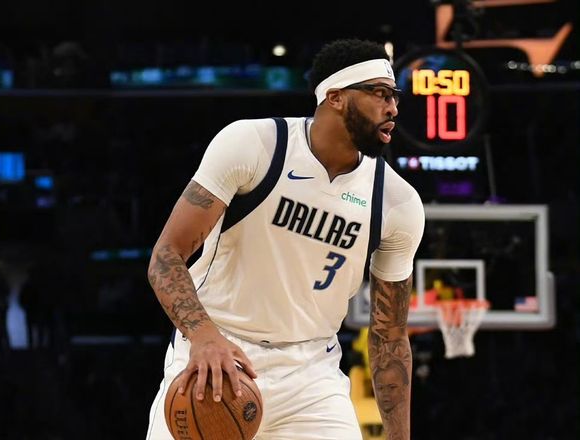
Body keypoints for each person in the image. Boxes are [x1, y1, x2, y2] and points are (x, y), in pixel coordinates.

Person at [145, 38, 425, 439]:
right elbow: (166, 255)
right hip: (217, 353)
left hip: (311, 377)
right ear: (335, 97)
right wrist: (203, 338)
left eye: (394, 97)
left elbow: (390, 336)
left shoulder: (397, 202)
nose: (393, 108)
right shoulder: (255, 145)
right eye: (380, 94)